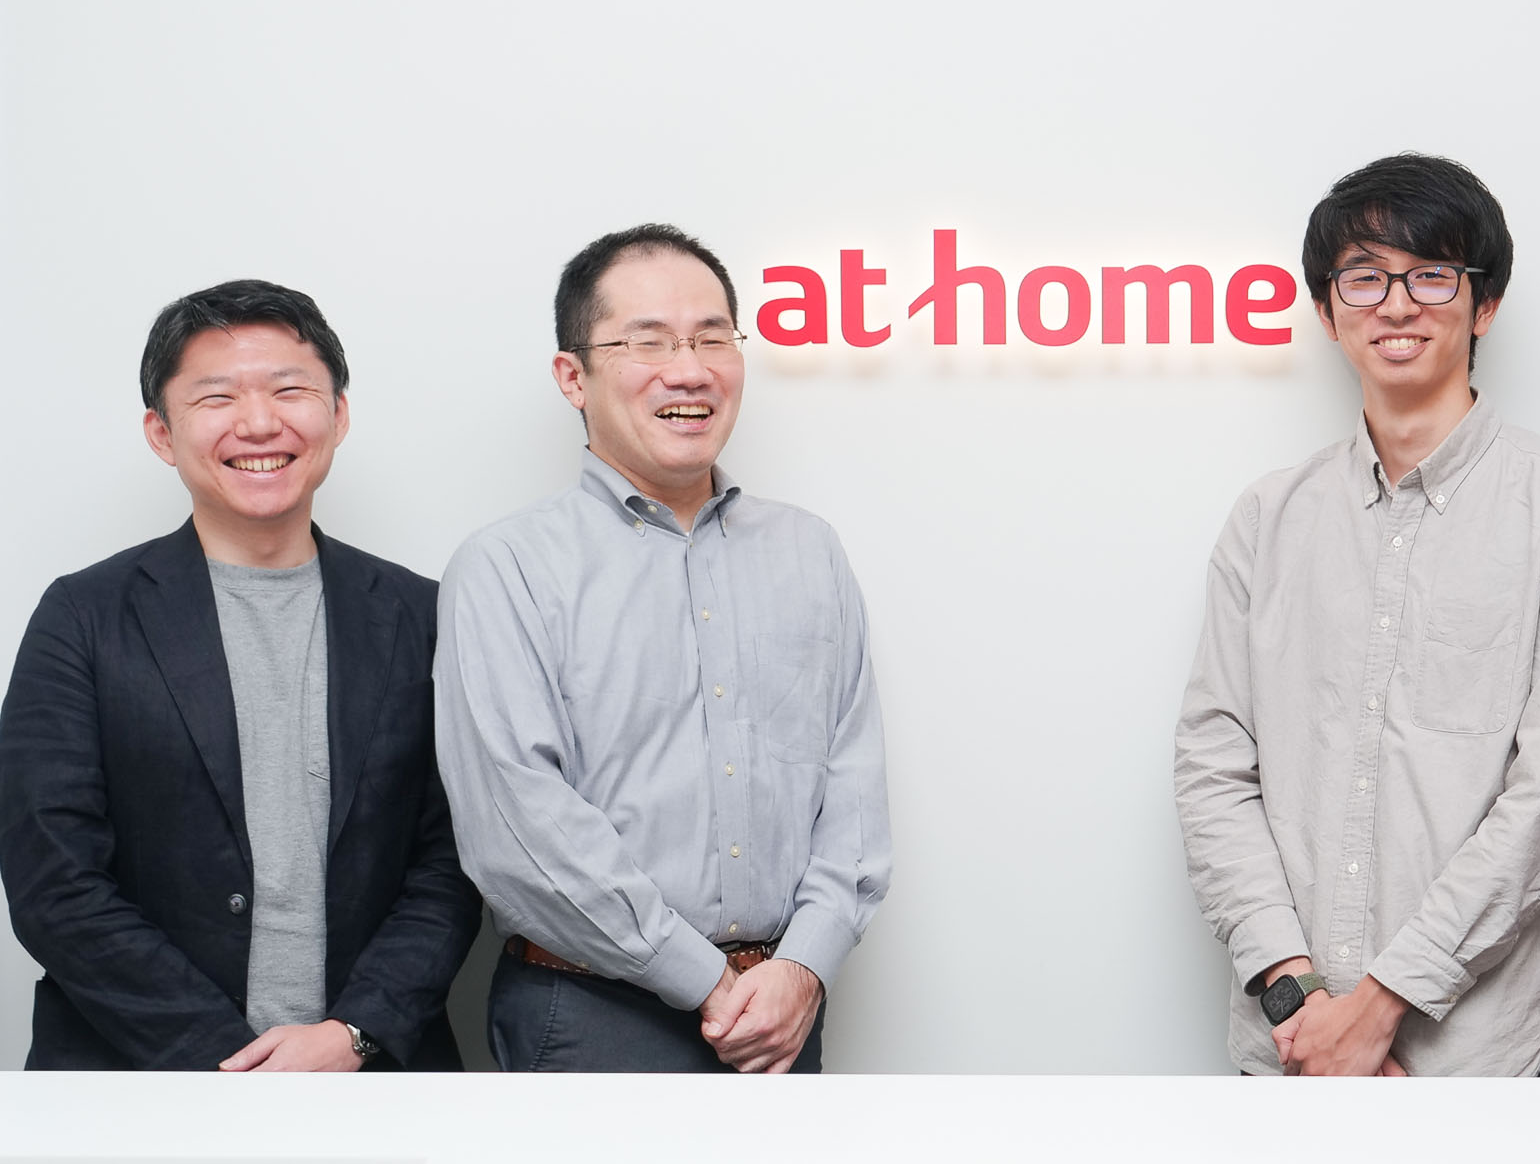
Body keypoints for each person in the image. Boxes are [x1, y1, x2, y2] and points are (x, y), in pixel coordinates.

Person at [1173, 154, 1540, 1076]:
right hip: (1291, 1051)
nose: (1395, 305)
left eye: (1430, 275)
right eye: (1364, 277)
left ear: (1484, 303)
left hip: (1485, 1060)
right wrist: (1299, 996)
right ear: (1326, 310)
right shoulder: (1267, 518)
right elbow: (1213, 766)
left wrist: (1382, 1005)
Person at [435, 223, 891, 1073]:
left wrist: (804, 964)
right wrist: (705, 979)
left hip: (783, 1013)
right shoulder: (507, 566)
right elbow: (519, 827)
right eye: (646, 342)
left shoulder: (809, 550)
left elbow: (852, 779)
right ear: (573, 375)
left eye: (713, 337)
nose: (689, 370)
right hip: (591, 1011)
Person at [0, 280, 479, 1070]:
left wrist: (354, 1033)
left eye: (290, 390)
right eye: (216, 397)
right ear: (162, 432)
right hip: (131, 1080)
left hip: (373, 1075)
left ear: (339, 415)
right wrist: (225, 1061)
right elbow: (53, 876)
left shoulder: (422, 613)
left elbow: (453, 861)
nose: (259, 423)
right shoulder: (83, 615)